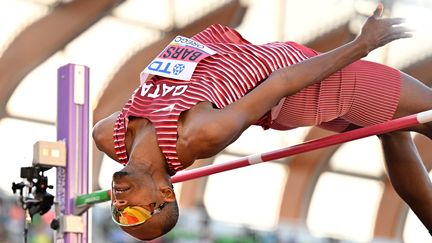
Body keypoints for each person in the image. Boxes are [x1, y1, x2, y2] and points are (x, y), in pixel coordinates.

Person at [93, 4, 432, 240]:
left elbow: (157, 86)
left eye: (118, 215)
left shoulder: (108, 135)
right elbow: (281, 83)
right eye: (135, 215)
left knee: (395, 131)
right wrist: (362, 45)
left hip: (273, 79)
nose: (120, 206)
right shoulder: (199, 135)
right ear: (166, 192)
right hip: (308, 85)